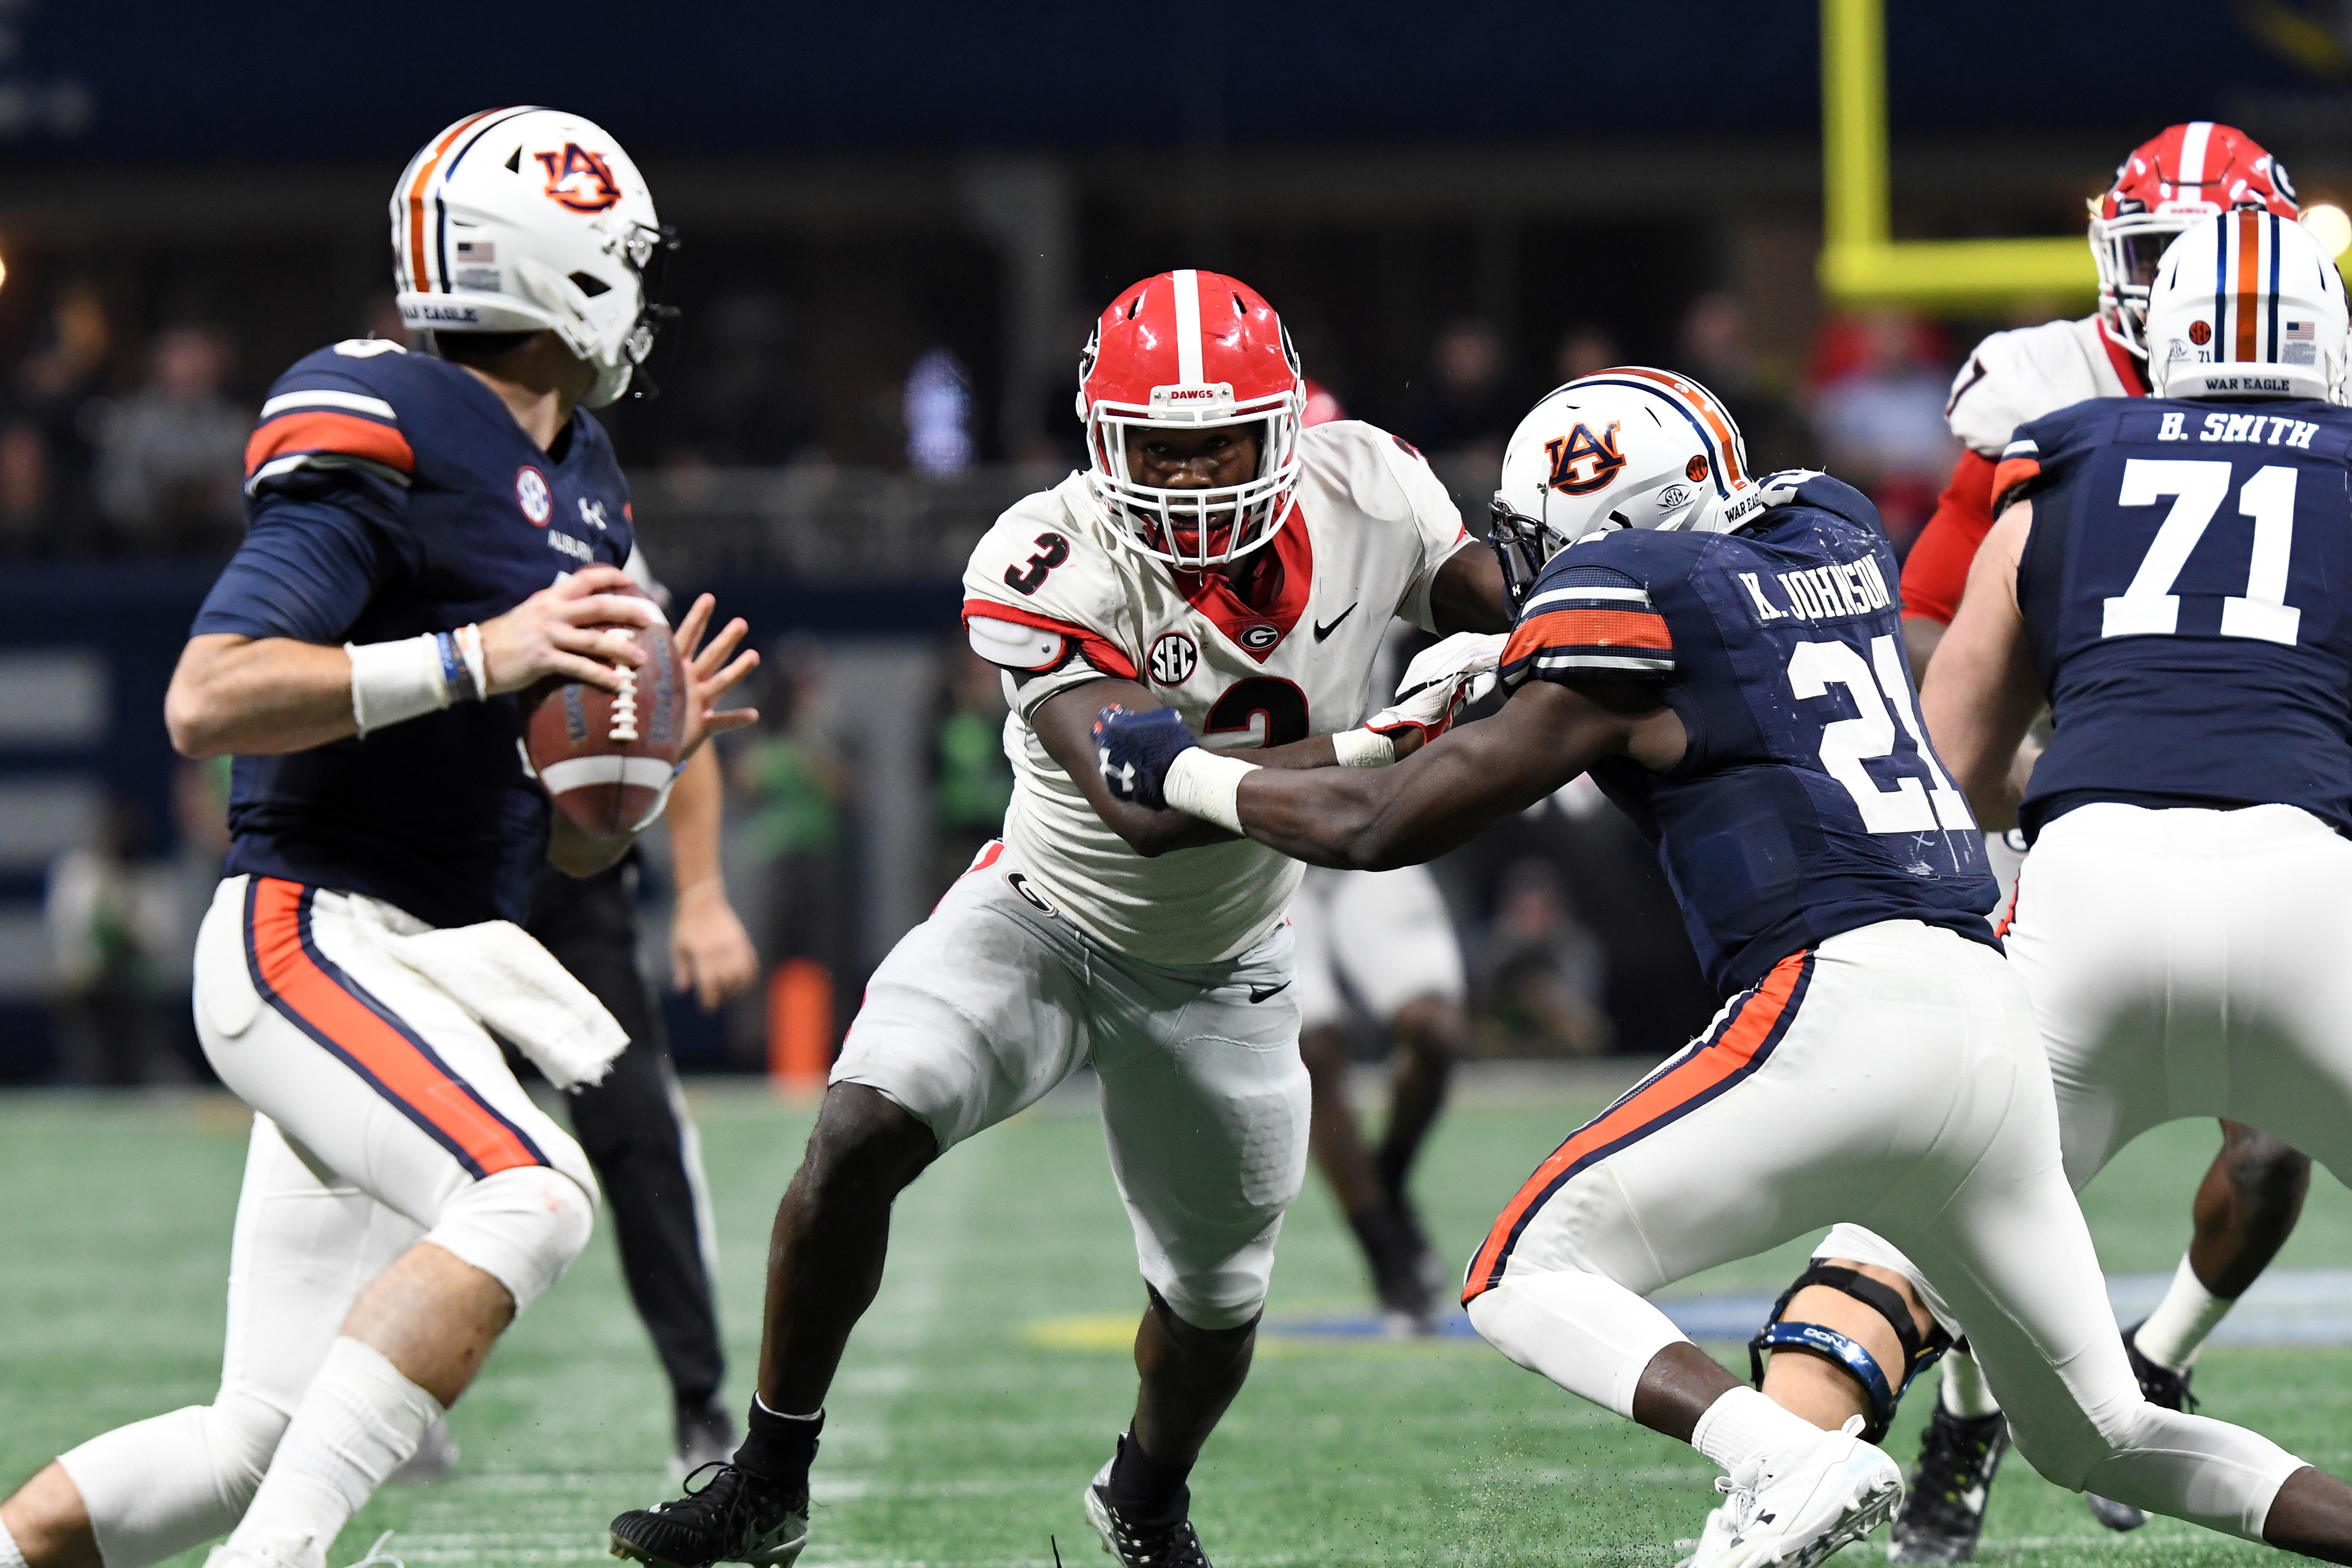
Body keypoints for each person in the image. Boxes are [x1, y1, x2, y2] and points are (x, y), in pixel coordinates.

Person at [1098, 365, 2352, 1567]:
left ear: (1610, 534)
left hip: (1837, 1006)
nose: (1528, 574)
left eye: (1544, 543)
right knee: (2101, 1434)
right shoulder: (1829, 526)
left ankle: (1778, 1454)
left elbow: (1376, 828)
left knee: (1523, 1270)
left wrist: (1183, 773)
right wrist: (1456, 692)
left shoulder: (1626, 607)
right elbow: (1684, 638)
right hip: (1985, 1005)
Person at [606, 268, 1514, 1568]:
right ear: (1102, 441)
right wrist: (1391, 733)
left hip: (1223, 959)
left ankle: (1143, 1496)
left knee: (1213, 1307)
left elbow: (1515, 613)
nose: (1195, 478)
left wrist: (1567, 609)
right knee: (857, 1126)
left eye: (1221, 443)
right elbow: (1149, 800)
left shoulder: (1372, 487)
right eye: (1163, 447)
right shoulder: (1044, 552)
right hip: (1039, 912)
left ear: (1286, 428)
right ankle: (769, 1470)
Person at [0, 107, 756, 1568]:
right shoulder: (388, 413)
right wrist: (481, 654)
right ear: (557, 269)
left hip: (433, 950)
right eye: (620, 260)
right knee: (527, 1192)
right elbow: (205, 697)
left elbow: (574, 857)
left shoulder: (583, 468)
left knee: (258, 1437)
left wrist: (643, 767)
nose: (641, 298)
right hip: (306, 925)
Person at [1739, 206, 2352, 1557]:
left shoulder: (2068, 451)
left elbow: (1946, 755)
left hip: (2090, 887)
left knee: (1890, 1245)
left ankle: (1767, 1488)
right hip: (2315, 897)